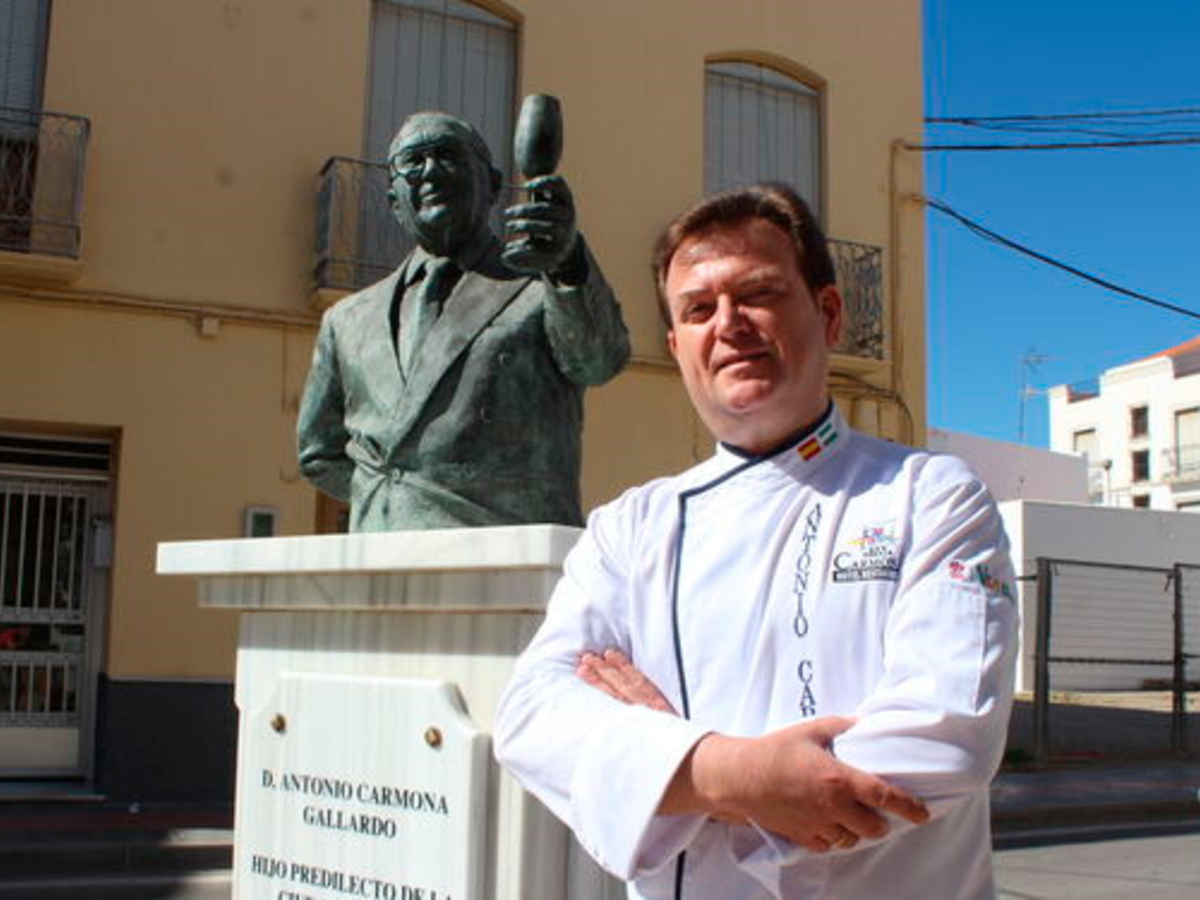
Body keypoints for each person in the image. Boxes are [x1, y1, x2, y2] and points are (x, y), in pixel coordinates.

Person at [494, 183, 1018, 899]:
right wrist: (734, 774)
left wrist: (667, 770)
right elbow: (532, 717)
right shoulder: (629, 528)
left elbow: (946, 733)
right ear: (677, 346)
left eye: (760, 293)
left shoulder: (932, 497)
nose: (729, 323)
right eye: (699, 309)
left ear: (829, 314)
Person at [297, 112, 629, 531]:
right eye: (412, 162)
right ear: (394, 201)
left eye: (448, 155)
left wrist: (567, 263)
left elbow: (600, 361)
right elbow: (318, 452)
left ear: (491, 184)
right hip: (383, 561)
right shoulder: (346, 320)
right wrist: (401, 499)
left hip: (508, 556)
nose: (431, 170)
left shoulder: (544, 286)